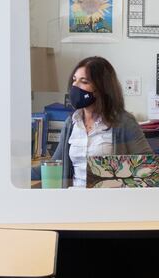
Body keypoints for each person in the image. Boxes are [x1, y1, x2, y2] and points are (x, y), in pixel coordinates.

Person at [51, 56, 152, 187]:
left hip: (110, 202)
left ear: (101, 88)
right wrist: (18, 172)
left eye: (84, 81)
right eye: (74, 80)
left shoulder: (124, 122)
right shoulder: (71, 123)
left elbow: (149, 168)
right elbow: (54, 166)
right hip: (74, 200)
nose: (75, 86)